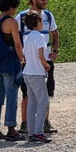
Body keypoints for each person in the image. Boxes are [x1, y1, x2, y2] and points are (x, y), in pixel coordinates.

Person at [17, 0, 59, 134]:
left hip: (46, 59)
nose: (45, 1)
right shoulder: (22, 17)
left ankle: (45, 122)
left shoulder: (48, 15)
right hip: (29, 61)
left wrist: (55, 51)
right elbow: (15, 37)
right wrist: (20, 56)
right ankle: (25, 123)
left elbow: (55, 34)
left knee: (46, 91)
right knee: (27, 93)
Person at [0, 0, 26, 141]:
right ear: (11, 5)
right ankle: (11, 129)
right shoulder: (11, 22)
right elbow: (17, 44)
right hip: (10, 63)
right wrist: (22, 59)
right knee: (11, 96)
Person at [21, 11, 53, 144]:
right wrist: (46, 65)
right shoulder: (40, 37)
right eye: (41, 21)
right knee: (43, 102)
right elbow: (41, 56)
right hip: (37, 73)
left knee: (32, 103)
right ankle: (39, 131)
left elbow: (25, 55)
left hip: (27, 72)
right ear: (37, 22)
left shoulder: (27, 38)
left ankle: (31, 132)